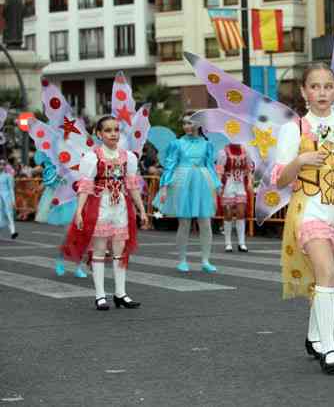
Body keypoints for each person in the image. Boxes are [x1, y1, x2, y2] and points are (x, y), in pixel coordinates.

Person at [272, 63, 334, 374]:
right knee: (327, 273)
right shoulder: (293, 129)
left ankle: (314, 336)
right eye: (314, 86)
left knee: (324, 279)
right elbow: (280, 180)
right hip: (309, 209)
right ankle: (329, 349)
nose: (322, 92)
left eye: (327, 86)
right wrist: (300, 160)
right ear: (304, 92)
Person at [61, 116, 148, 310]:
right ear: (99, 134)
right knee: (99, 250)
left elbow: (132, 185)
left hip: (121, 207)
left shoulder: (128, 157)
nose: (113, 134)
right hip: (101, 205)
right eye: (108, 130)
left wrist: (142, 209)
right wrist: (79, 211)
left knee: (120, 251)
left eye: (116, 130)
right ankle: (100, 296)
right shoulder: (92, 157)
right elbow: (85, 186)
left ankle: (120, 294)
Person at [154, 114, 221, 273]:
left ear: (199, 124)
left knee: (205, 222)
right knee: (184, 222)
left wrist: (216, 185)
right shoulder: (176, 144)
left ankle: (205, 260)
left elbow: (210, 166)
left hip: (203, 182)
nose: (186, 126)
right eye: (184, 123)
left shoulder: (207, 144)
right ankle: (182, 260)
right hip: (182, 181)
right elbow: (170, 165)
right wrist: (164, 186)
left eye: (190, 123)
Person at [33, 151, 87, 278]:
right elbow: (48, 179)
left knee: (79, 236)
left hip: (77, 198)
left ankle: (77, 266)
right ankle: (61, 260)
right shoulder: (53, 158)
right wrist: (44, 185)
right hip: (64, 202)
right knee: (69, 235)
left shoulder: (77, 154)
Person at [216, 143, 253, 252]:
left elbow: (249, 169)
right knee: (228, 213)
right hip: (229, 183)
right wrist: (219, 184)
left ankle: (242, 243)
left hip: (240, 184)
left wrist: (250, 182)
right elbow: (219, 170)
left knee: (241, 212)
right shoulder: (223, 152)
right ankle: (228, 243)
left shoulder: (245, 151)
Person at [0, 158, 18, 239]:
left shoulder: (8, 176)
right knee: (0, 214)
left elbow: (11, 189)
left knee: (9, 213)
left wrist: (13, 200)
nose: (1, 166)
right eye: (0, 164)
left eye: (3, 164)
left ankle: (13, 231)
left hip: (7, 196)